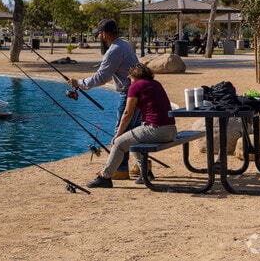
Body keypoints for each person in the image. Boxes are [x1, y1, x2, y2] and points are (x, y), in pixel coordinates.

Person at [67, 18, 141, 179]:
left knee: (120, 133)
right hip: (139, 93)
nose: (98, 37)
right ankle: (142, 165)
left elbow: (102, 77)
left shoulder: (114, 50)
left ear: (104, 34)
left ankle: (120, 169)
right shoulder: (124, 45)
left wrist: (79, 83)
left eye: (99, 33)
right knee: (135, 132)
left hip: (129, 94)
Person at [85, 63, 177, 188]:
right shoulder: (156, 84)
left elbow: (128, 113)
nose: (128, 77)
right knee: (132, 141)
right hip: (171, 130)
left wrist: (117, 134)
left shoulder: (135, 86)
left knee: (119, 143)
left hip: (156, 129)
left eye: (130, 74)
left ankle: (105, 177)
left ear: (135, 75)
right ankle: (145, 173)